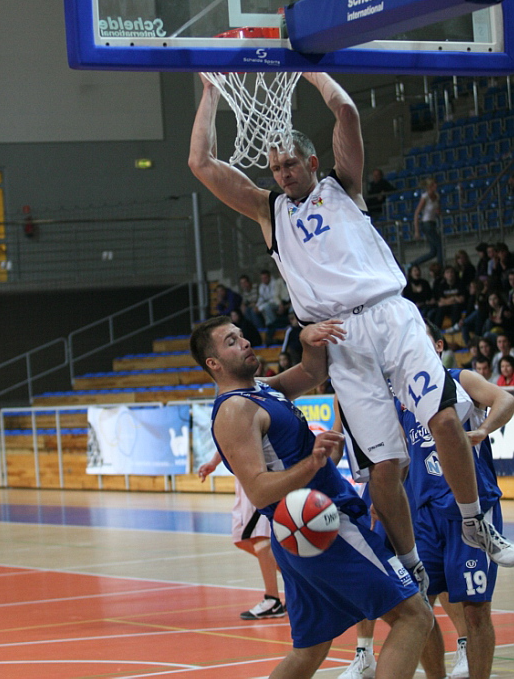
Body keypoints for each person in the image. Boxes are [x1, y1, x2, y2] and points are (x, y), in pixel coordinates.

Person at [189, 70, 514, 586]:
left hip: (390, 313)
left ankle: (476, 523)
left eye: (290, 164)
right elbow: (201, 164)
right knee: (385, 466)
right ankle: (411, 567)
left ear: (311, 163)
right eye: (275, 167)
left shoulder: (343, 187)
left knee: (445, 420)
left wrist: (311, 69)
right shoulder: (269, 211)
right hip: (338, 338)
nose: (282, 174)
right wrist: (210, 93)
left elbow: (347, 112)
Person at [189, 314, 433, 679]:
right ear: (214, 363)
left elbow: (311, 371)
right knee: (414, 616)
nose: (245, 343)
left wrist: (308, 339)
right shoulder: (235, 410)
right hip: (320, 525)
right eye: (231, 342)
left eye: (241, 336)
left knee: (310, 649)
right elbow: (257, 489)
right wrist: (313, 462)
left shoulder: (261, 389)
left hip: (301, 533)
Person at [343, 320, 514, 679]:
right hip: (422, 516)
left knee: (475, 611)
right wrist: (382, 497)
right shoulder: (401, 398)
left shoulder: (460, 379)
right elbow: (399, 459)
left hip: (469, 511)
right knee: (419, 610)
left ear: (437, 346)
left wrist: (484, 429)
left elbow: (506, 399)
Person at [198, 451, 286, 620]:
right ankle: (299, 582)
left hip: (257, 474)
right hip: (242, 476)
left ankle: (272, 600)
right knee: (241, 539)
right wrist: (214, 462)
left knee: (260, 539)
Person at [412, 178, 443, 267]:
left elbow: (437, 209)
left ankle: (413, 264)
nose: (435, 186)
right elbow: (417, 213)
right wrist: (416, 231)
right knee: (439, 245)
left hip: (432, 223)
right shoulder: (425, 197)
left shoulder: (437, 196)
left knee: (433, 251)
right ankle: (440, 266)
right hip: (426, 224)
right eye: (433, 184)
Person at [429, 265, 467, 331]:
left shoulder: (460, 284)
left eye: (451, 272)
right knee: (440, 309)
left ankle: (455, 328)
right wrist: (454, 298)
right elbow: (441, 303)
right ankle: (436, 329)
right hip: (447, 307)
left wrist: (448, 301)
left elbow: (461, 300)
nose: (450, 274)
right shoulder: (442, 285)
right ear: (444, 275)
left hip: (458, 307)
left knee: (456, 306)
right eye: (447, 272)